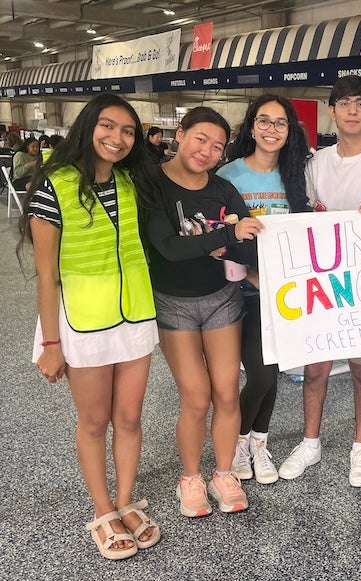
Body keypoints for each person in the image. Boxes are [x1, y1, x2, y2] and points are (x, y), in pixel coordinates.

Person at [17, 93, 160, 560]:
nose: (117, 138)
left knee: (131, 417)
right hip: (82, 322)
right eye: (108, 126)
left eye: (127, 131)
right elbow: (46, 274)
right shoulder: (52, 186)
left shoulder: (131, 182)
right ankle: (103, 510)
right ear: (88, 127)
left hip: (135, 316)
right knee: (95, 420)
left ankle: (125, 501)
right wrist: (51, 342)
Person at [277, 75, 361, 488]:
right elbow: (304, 218)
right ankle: (310, 442)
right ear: (331, 111)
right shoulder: (315, 164)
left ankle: (360, 447)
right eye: (345, 103)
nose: (353, 110)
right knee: (315, 369)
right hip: (322, 285)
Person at [140, 107, 263, 517]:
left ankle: (223, 472)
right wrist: (224, 234)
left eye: (217, 145)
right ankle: (190, 478)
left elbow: (248, 240)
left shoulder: (224, 188)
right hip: (172, 303)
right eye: (200, 139)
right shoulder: (153, 184)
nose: (207, 151)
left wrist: (233, 238)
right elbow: (168, 248)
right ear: (180, 133)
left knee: (226, 391)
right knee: (195, 396)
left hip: (222, 299)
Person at [216, 95, 311, 484]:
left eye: (281, 123)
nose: (272, 129)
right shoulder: (228, 175)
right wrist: (252, 275)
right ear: (252, 127)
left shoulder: (298, 175)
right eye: (264, 121)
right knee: (259, 374)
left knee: (270, 371)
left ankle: (258, 443)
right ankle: (240, 442)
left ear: (290, 131)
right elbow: (218, 236)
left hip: (283, 294)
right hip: (241, 292)